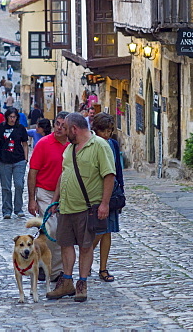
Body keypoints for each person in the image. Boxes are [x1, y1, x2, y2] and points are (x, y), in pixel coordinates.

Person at [47, 113, 115, 303]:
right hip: (66, 206)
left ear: (74, 129)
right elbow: (64, 174)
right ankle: (67, 281)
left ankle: (82, 284)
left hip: (87, 207)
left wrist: (104, 204)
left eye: (66, 129)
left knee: (86, 246)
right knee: (66, 244)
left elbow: (109, 175)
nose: (63, 132)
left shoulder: (99, 146)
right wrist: (55, 200)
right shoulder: (69, 149)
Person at [27, 112, 69, 284]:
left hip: (67, 194)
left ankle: (50, 265)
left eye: (63, 125)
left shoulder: (73, 146)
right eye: (57, 124)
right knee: (53, 229)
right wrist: (32, 199)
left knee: (62, 231)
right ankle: (54, 270)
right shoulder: (43, 144)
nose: (58, 128)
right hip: (45, 192)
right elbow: (33, 172)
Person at [90, 113, 123, 282]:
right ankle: (87, 260)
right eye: (104, 131)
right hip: (97, 192)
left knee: (108, 231)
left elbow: (118, 169)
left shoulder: (113, 144)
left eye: (109, 131)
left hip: (113, 192)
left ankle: (103, 267)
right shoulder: (92, 145)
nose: (107, 134)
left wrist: (121, 192)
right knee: (98, 231)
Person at [0, 108, 29, 220]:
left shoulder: (21, 128)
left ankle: (18, 209)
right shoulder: (1, 127)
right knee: (6, 187)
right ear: (7, 117)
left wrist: (26, 158)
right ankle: (7, 210)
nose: (12, 119)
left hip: (19, 160)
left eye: (14, 117)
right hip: (4, 160)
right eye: (11, 117)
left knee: (19, 185)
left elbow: (25, 144)